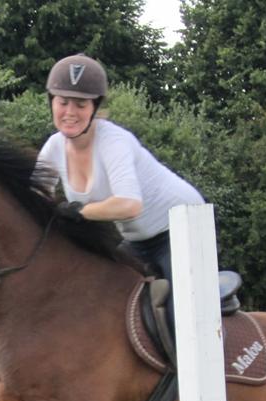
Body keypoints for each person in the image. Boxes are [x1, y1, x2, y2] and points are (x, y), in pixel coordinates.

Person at [36, 54, 205, 284]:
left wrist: (78, 212)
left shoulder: (114, 142)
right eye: (63, 102)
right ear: (51, 102)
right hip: (138, 242)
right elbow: (33, 198)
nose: (70, 112)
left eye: (81, 104)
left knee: (182, 310)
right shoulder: (53, 147)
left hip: (183, 227)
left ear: (94, 107)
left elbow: (129, 204)